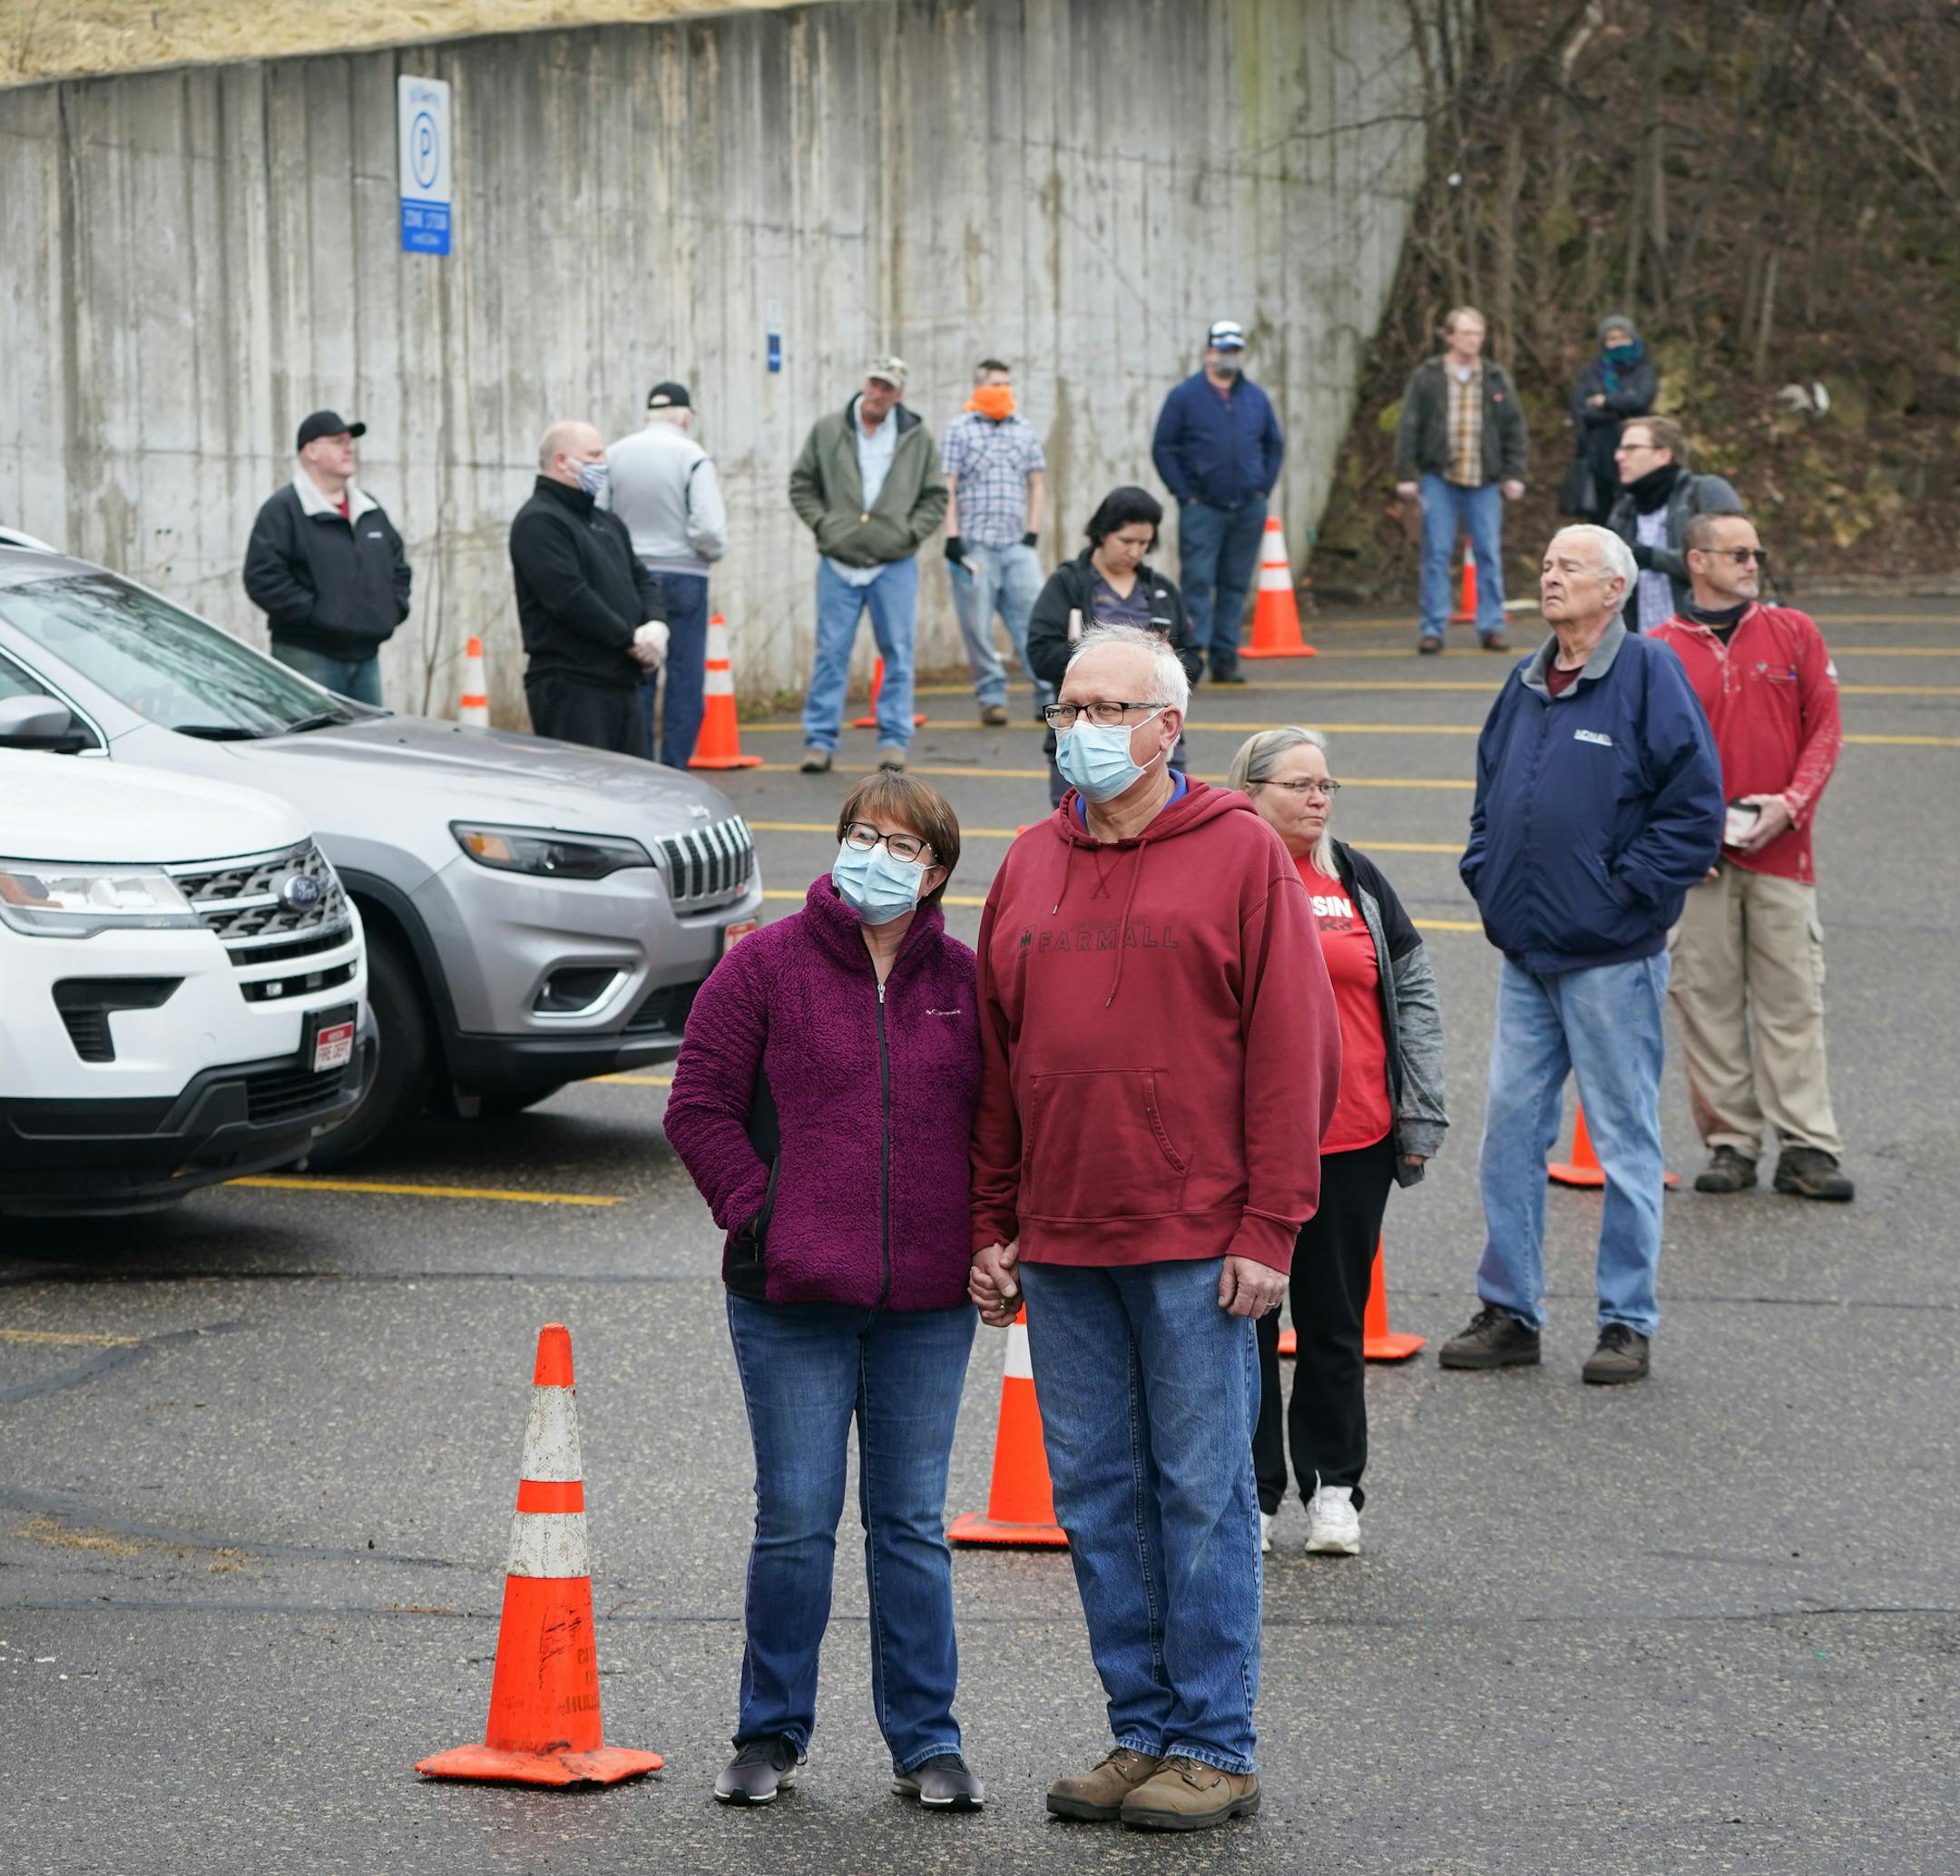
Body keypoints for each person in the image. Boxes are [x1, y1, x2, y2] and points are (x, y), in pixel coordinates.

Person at [967, 624, 1339, 1832]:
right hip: (1065, 1243)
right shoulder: (1028, 862)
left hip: (1195, 1243)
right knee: (1100, 1498)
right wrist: (994, 1219)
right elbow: (997, 1063)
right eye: (1067, 703)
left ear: (1167, 726)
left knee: (1203, 1493)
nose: (1078, 724)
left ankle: (1213, 1739)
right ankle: (1142, 1726)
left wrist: (1269, 1226)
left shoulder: (1239, 855)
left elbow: (1294, 1051)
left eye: (1106, 705)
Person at [662, 772, 987, 1813]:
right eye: (860, 834)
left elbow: (1000, 1130)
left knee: (911, 1526)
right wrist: (763, 1213)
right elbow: (698, 1108)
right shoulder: (763, 967)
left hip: (926, 1305)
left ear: (936, 871)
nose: (874, 856)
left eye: (900, 845)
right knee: (796, 1520)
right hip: (787, 1295)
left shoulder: (969, 983)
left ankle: (928, 1743)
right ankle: (768, 1734)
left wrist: (990, 1238)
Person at [1446, 525, 1723, 1386]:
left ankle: (1625, 1321)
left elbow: (1695, 808)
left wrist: (1624, 890)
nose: (1548, 573)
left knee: (1624, 1141)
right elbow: (1489, 792)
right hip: (1527, 953)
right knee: (1509, 1132)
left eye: (1568, 565)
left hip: (1612, 955)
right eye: (1546, 561)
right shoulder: (1526, 678)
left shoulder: (1647, 673)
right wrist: (1485, 871)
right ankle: (1511, 1309)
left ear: (1615, 589)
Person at [1230, 727, 1447, 1559]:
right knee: (1246, 1323)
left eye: (1328, 785)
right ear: (1251, 790)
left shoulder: (1355, 876)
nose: (1319, 798)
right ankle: (1250, 1492)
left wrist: (1418, 1113)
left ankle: (1333, 1488)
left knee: (1332, 1323)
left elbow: (1415, 991)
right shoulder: (1231, 872)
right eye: (1300, 784)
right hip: (1251, 1147)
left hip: (1353, 1139)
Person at [1650, 512, 1854, 1202]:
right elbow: (1646, 763)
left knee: (1793, 1003)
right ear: (1698, 561)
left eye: (1757, 552)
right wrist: (1679, 842)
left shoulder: (1794, 631)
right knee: (1705, 1003)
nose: (1753, 562)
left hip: (1782, 852)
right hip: (1699, 863)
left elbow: (1825, 729)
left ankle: (1807, 1147)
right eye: (1739, 552)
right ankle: (1731, 1144)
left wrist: (1791, 804)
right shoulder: (1659, 650)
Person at [789, 358, 948, 773]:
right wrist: (826, 525)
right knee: (831, 653)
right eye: (875, 383)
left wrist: (909, 533)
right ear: (865, 383)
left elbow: (935, 495)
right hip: (838, 563)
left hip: (893, 564)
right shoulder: (828, 429)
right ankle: (819, 741)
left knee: (898, 652)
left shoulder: (915, 436)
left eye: (889, 388)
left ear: (899, 394)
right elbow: (802, 483)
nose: (880, 393)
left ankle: (894, 740)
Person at [1025, 486, 1202, 806]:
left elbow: (1194, 660)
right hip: (1083, 744)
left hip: (1154, 744)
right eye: (1126, 541)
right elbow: (1040, 653)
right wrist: (1104, 666)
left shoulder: (1160, 590)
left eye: (1144, 544)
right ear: (1102, 534)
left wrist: (1156, 667)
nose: (1135, 552)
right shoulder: (1068, 584)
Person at [509, 420, 669, 756]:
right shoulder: (539, 522)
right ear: (563, 461)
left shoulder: (606, 521)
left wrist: (655, 624)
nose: (602, 464)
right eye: (594, 456)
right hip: (573, 687)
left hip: (622, 682)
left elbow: (641, 577)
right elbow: (569, 598)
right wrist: (629, 639)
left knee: (637, 790)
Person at [243, 409, 410, 707]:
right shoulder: (284, 510)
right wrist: (318, 616)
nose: (349, 448)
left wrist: (393, 608)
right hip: (309, 657)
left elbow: (398, 566)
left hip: (367, 658)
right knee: (313, 747)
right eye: (338, 441)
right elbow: (262, 577)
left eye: (349, 442)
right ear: (311, 451)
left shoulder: (368, 508)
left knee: (367, 748)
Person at [1151, 319, 1284, 684]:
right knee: (1197, 582)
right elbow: (1164, 447)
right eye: (1224, 349)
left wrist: (1262, 488)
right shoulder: (1185, 396)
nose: (1230, 356)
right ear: (1209, 352)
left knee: (1235, 583)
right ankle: (1192, 661)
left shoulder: (1255, 397)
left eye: (1236, 350)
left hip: (1247, 507)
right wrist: (1186, 494)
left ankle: (1226, 657)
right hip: (1202, 508)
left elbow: (1274, 445)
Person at [605, 380, 728, 767]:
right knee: (685, 679)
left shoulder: (615, 454)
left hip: (633, 577)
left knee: (639, 672)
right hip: (685, 574)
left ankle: (640, 765)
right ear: (686, 417)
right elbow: (708, 528)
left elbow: (602, 515)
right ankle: (676, 767)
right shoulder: (692, 456)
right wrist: (709, 551)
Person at [1393, 307, 1529, 654]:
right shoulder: (1428, 376)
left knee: (1488, 553)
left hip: (1484, 479)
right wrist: (1406, 474)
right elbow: (1410, 424)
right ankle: (1433, 627)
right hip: (1440, 476)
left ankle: (1492, 626)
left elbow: (1513, 428)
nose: (1473, 340)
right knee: (1436, 553)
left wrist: (1515, 473)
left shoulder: (1495, 377)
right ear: (1449, 336)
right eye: (1466, 333)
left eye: (1478, 333)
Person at [941, 358, 1047, 725]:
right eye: (994, 384)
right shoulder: (959, 430)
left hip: (1016, 545)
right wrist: (952, 535)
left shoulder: (1023, 429)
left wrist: (1032, 531)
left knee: (1032, 622)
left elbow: (1036, 481)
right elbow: (949, 485)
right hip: (975, 546)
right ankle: (991, 696)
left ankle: (1047, 695)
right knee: (977, 625)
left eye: (1007, 384)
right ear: (978, 387)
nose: (1002, 392)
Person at [1606, 417, 1742, 632]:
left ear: (1663, 454)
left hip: (1703, 638)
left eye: (1631, 448)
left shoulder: (1706, 492)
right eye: (1620, 449)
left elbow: (1733, 563)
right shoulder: (1624, 508)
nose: (1619, 456)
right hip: (1644, 647)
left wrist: (1650, 557)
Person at [1563, 315, 1657, 525]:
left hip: (1635, 448)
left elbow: (1641, 401)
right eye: (1612, 339)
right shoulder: (1592, 372)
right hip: (1598, 453)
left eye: (1622, 337)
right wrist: (1619, 408)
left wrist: (1604, 402)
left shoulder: (1643, 369)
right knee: (1600, 515)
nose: (1617, 343)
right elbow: (1580, 409)